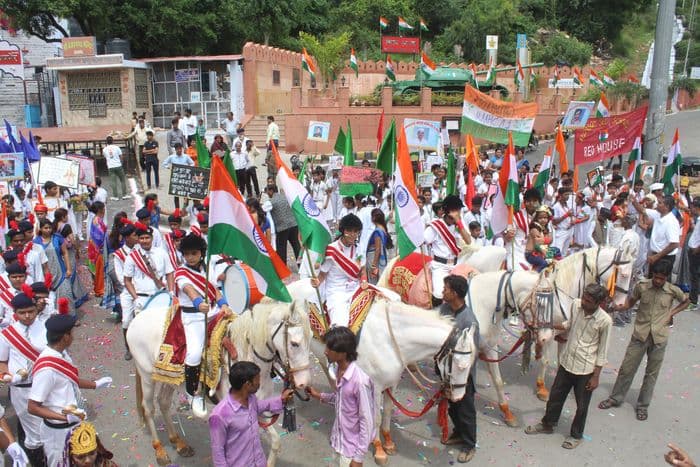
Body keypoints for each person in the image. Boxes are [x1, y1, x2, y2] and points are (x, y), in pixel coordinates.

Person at [598, 259, 689, 421]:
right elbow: (629, 303)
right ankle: (615, 398)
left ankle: (642, 406)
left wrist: (671, 314)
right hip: (640, 334)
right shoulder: (642, 286)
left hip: (659, 337)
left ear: (667, 277)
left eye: (662, 278)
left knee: (651, 374)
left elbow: (686, 301)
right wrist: (615, 307)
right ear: (652, 274)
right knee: (627, 368)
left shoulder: (672, 291)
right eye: (656, 277)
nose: (658, 281)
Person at [525, 283, 611, 450]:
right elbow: (568, 324)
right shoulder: (576, 305)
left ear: (598, 303)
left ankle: (576, 435)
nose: (584, 302)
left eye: (588, 300)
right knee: (555, 397)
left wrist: (596, 376)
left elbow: (603, 351)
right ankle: (548, 424)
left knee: (582, 406)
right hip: (566, 362)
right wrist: (546, 325)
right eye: (584, 297)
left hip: (585, 369)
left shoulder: (605, 321)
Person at [28, 313, 112, 466]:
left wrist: (95, 384)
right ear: (65, 337)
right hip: (58, 431)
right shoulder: (47, 369)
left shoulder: (60, 355)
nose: (73, 337)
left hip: (73, 424)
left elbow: (69, 380)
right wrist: (65, 418)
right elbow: (33, 407)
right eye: (71, 333)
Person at [174, 234, 231, 416]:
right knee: (195, 353)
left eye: (194, 253)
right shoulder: (181, 273)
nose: (190, 257)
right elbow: (188, 290)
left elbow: (214, 290)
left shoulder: (207, 269)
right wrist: (198, 302)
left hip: (213, 312)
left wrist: (224, 304)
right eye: (187, 254)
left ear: (201, 253)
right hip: (193, 317)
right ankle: (192, 394)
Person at [305, 327, 375, 466]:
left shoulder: (359, 381)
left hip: (351, 452)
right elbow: (341, 400)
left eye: (330, 348)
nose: (325, 351)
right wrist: (318, 395)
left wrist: (358, 458)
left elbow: (367, 421)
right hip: (338, 443)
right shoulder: (337, 369)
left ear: (343, 353)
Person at [208, 361, 293, 467]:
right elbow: (217, 451)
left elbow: (259, 406)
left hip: (259, 462)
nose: (259, 383)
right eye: (257, 380)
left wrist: (281, 399)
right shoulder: (219, 415)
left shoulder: (250, 398)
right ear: (247, 385)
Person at [0, 291, 49, 466]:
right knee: (33, 432)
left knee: (51, 424)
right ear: (15, 313)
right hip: (21, 390)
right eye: (22, 312)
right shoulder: (7, 335)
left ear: (36, 309)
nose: (27, 316)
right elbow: (2, 362)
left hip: (45, 385)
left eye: (30, 311)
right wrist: (6, 376)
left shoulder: (47, 328)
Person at [439, 275, 479, 463]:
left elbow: (472, 354)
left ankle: (469, 444)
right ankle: (458, 433)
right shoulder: (445, 309)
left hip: (462, 376)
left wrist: (459, 374)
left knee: (465, 410)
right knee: (453, 409)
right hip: (446, 372)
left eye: (445, 289)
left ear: (454, 294)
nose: (442, 291)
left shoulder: (469, 321)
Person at [122, 223, 174, 360]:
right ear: (138, 239)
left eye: (147, 238)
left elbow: (169, 274)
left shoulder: (162, 253)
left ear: (152, 238)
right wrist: (135, 298)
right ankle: (136, 352)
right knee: (141, 330)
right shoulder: (132, 257)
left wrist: (172, 291)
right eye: (142, 238)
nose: (145, 241)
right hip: (142, 298)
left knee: (162, 329)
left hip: (161, 296)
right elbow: (127, 280)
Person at [311, 214, 367, 326]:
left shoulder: (359, 248)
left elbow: (363, 271)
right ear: (343, 231)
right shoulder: (332, 249)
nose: (353, 235)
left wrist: (364, 281)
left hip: (355, 288)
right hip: (336, 291)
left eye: (356, 232)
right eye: (349, 231)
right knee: (341, 323)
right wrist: (317, 281)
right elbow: (322, 275)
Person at [424, 195, 470, 306]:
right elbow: (423, 240)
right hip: (440, 266)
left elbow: (468, 241)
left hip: (455, 264)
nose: (459, 212)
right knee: (439, 293)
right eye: (457, 210)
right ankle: (435, 315)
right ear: (449, 211)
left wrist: (459, 222)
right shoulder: (436, 226)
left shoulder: (458, 224)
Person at [267, 184, 301, 267]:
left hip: (282, 227)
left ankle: (283, 268)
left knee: (281, 248)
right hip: (293, 224)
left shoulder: (271, 202)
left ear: (271, 191)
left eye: (267, 191)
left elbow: (263, 209)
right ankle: (301, 265)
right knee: (296, 246)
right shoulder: (285, 197)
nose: (267, 193)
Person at [366, 208, 393, 284]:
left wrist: (373, 265)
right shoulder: (383, 229)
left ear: (373, 218)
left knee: (373, 281)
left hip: (374, 259)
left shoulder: (378, 231)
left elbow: (378, 249)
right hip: (377, 259)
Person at [102, 136, 129, 201]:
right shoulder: (117, 147)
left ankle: (115, 196)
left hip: (110, 166)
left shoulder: (104, 149)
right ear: (113, 141)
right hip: (118, 165)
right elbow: (121, 156)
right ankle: (124, 195)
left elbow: (105, 157)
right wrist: (121, 163)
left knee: (113, 182)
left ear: (106, 142)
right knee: (122, 180)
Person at [688, 198, 700, 309]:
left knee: (694, 276)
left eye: (692, 207)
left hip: (696, 252)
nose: (691, 209)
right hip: (693, 249)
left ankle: (693, 300)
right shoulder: (698, 219)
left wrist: (697, 249)